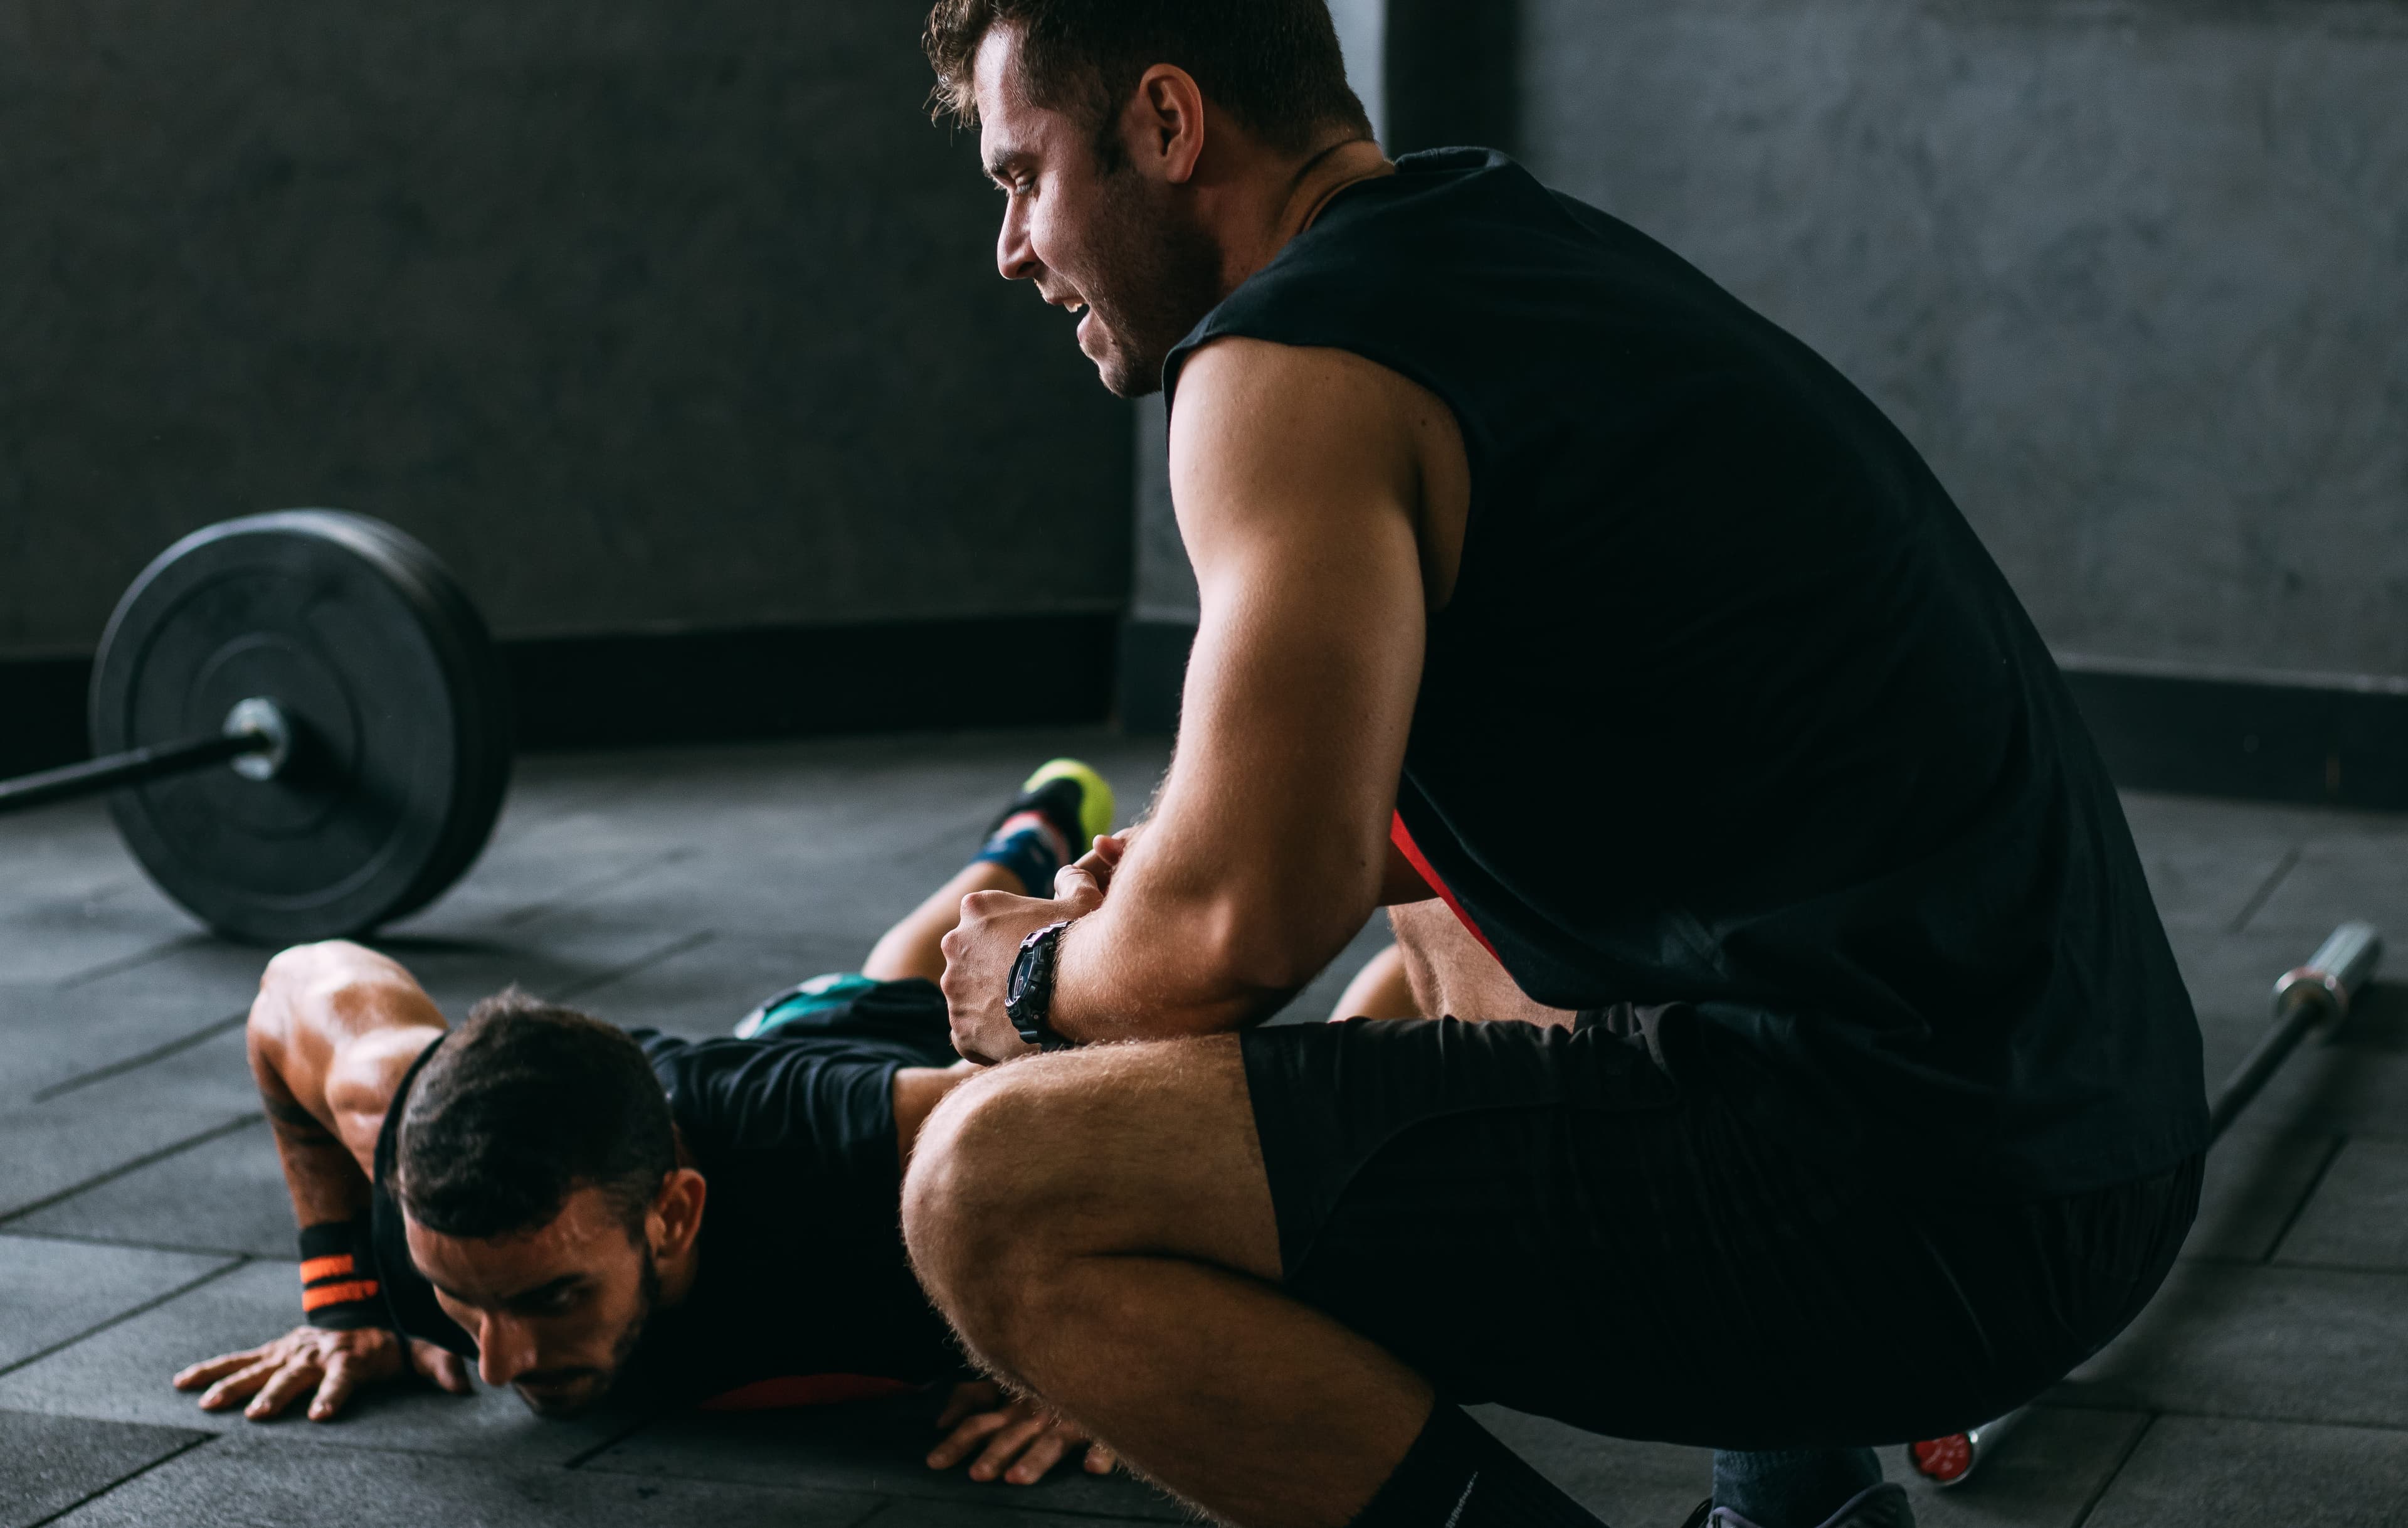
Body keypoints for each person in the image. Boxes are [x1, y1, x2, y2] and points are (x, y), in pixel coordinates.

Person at [900, 7, 2207, 1528]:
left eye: (1025, 177)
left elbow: (1237, 936)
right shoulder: (1500, 253)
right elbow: (1423, 795)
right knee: (1438, 894)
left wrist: (1043, 979)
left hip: (1928, 1200)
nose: (1012, 246)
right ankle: (1798, 1503)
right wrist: (1200, 850)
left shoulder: (1281, 366)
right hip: (2091, 1131)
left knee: (994, 1198)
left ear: (1169, 126)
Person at [170, 760, 1128, 1488]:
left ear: (674, 1215)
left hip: (869, 1066)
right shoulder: (406, 1163)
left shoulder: (888, 1158)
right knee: (858, 984)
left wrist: (1100, 1369)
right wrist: (345, 1298)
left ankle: (1033, 833)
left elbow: (1154, 1113)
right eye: (459, 1297)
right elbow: (292, 988)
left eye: (548, 1299)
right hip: (682, 1079)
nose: (498, 1365)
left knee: (911, 984)